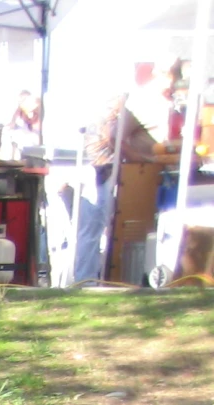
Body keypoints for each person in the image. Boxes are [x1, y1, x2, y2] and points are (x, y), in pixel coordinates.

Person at [76, 87, 159, 283]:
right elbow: (112, 138)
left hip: (97, 171)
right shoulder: (110, 120)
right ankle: (86, 279)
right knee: (93, 228)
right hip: (102, 172)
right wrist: (138, 158)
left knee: (92, 229)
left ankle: (88, 278)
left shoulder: (103, 117)